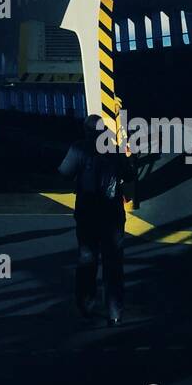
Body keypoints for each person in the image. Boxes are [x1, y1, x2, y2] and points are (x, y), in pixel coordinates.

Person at [58, 113, 134, 325]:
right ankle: (115, 311)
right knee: (114, 263)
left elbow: (64, 173)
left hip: (87, 214)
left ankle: (86, 304)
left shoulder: (79, 148)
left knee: (87, 259)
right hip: (112, 215)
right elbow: (129, 175)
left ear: (86, 131)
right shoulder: (114, 150)